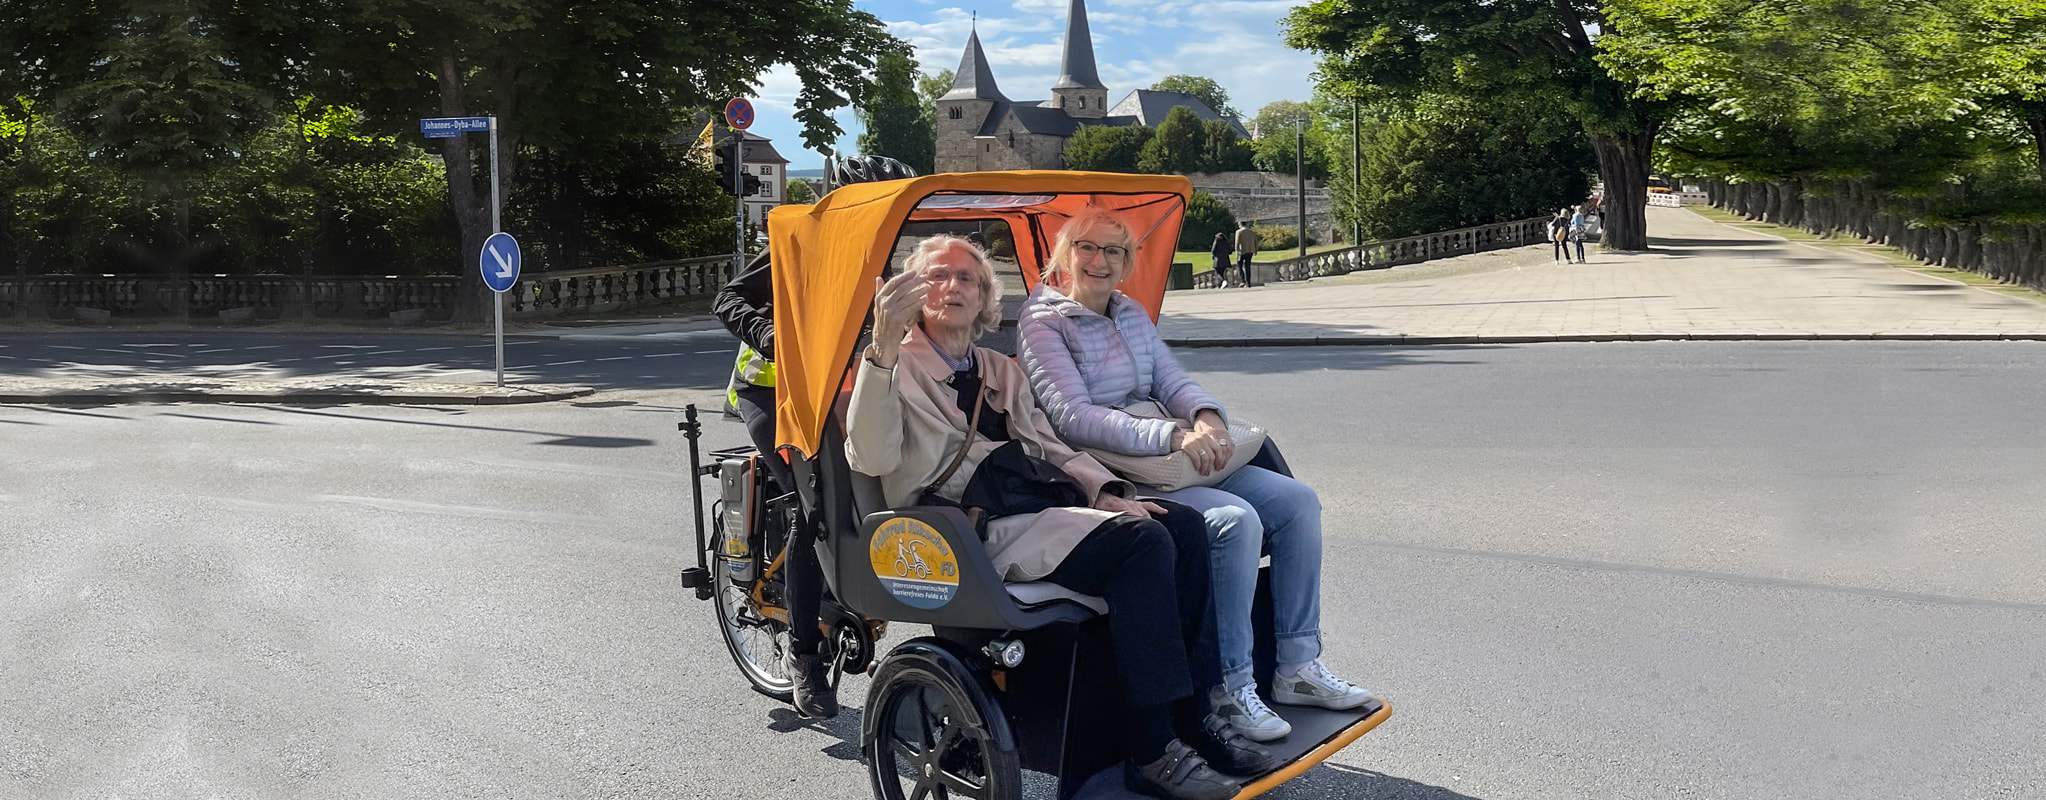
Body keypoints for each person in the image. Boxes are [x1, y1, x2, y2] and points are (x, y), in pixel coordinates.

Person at [846, 235, 1269, 800]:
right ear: (912, 292)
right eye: (938, 276)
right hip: (962, 532)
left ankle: (1189, 719)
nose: (953, 287)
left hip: (1033, 510)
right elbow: (870, 458)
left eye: (968, 278)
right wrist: (880, 348)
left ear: (985, 298)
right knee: (1142, 545)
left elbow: (1052, 449)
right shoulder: (889, 367)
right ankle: (1152, 752)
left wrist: (1107, 492)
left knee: (1182, 527)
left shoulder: (999, 367)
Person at [1016, 208, 1375, 745]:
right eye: (1087, 248)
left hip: (1169, 453)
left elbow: (1171, 379)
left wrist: (1205, 415)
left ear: (1128, 262)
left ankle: (1297, 666)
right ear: (1064, 255)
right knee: (1235, 522)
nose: (1099, 261)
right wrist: (1173, 437)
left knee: (1298, 503)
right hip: (1113, 469)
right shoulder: (1043, 322)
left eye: (1114, 251)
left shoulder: (1130, 312)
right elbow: (1071, 416)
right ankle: (1229, 687)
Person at [711, 153, 918, 719]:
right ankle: (803, 655)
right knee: (814, 505)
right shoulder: (801, 244)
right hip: (770, 395)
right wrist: (775, 337)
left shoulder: (894, 263)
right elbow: (728, 300)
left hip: (840, 402)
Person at [1231, 221, 1259, 287]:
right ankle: (1248, 283)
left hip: (1242, 251)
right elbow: (1256, 241)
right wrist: (1256, 250)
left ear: (1240, 225)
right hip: (1250, 251)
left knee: (1239, 266)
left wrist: (1236, 251)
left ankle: (1242, 280)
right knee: (1247, 267)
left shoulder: (1238, 232)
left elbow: (1237, 242)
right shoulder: (1252, 232)